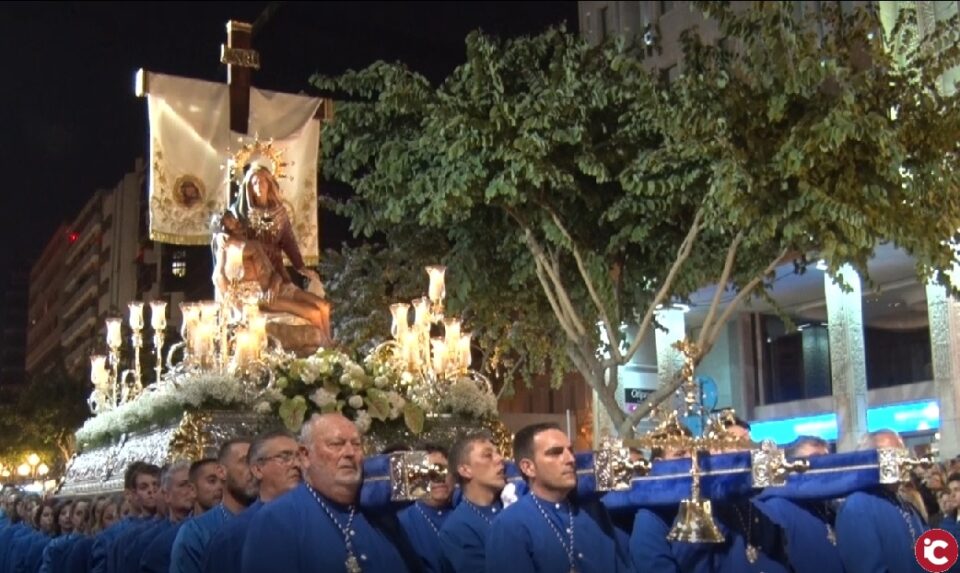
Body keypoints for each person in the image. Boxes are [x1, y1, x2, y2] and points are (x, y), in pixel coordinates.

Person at [241, 413, 420, 573]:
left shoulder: (380, 514)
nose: (350, 452)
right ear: (305, 456)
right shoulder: (277, 519)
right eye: (336, 444)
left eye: (356, 444)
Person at [484, 423, 631, 573]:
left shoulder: (593, 512)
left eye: (570, 450)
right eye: (555, 452)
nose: (570, 459)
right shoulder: (510, 525)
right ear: (528, 467)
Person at [214, 163, 331, 342]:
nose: (259, 186)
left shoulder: (279, 213)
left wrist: (300, 266)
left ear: (269, 184)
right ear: (249, 188)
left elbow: (289, 242)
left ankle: (329, 344)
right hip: (256, 277)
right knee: (312, 311)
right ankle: (325, 345)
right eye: (254, 183)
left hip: (276, 272)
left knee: (323, 306)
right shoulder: (241, 213)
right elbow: (220, 222)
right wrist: (220, 234)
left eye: (262, 181)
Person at [202, 429, 303, 573]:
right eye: (284, 457)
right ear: (257, 470)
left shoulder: (316, 519)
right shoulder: (232, 537)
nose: (297, 464)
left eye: (299, 457)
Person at [836, 429, 928, 573]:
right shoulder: (858, 505)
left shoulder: (905, 503)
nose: (901, 462)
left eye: (902, 454)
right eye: (891, 455)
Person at [753, 435, 845, 573]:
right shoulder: (775, 507)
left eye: (826, 460)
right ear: (792, 467)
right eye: (815, 460)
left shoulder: (828, 506)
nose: (823, 468)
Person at [170, 439, 255, 573]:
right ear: (221, 472)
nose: (253, 469)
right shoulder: (196, 533)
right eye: (244, 461)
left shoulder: (271, 520)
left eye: (257, 462)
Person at [438, 431, 507, 573]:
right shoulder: (456, 529)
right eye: (487, 455)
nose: (500, 459)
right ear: (465, 470)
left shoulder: (511, 504)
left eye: (498, 453)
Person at [89, 462, 160, 573]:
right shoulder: (109, 537)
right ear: (131, 494)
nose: (151, 490)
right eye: (144, 487)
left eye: (156, 485)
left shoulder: (174, 524)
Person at [398, 443, 455, 573]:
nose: (438, 479)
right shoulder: (402, 525)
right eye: (429, 473)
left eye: (443, 470)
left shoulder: (467, 512)